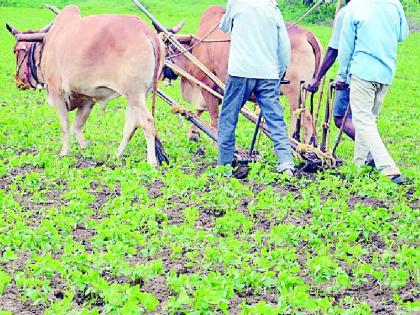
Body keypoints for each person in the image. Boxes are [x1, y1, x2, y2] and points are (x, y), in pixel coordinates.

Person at [218, 0, 294, 176]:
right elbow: (284, 47)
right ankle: (286, 164)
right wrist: (280, 72)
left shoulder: (236, 3)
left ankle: (224, 166)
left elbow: (224, 26)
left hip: (240, 72)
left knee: (228, 117)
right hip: (268, 73)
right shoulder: (272, 8)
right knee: (275, 119)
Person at [337, 0, 409, 184]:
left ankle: (388, 168)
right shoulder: (395, 4)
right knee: (369, 120)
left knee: (363, 120)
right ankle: (359, 165)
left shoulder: (354, 6)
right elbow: (403, 35)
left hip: (363, 72)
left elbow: (345, 46)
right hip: (386, 73)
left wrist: (342, 76)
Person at [307, 0, 355, 141]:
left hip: (352, 76)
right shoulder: (372, 9)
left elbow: (333, 50)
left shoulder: (346, 13)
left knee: (341, 119)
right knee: (364, 120)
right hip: (381, 75)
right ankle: (364, 157)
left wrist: (316, 79)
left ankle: (374, 151)